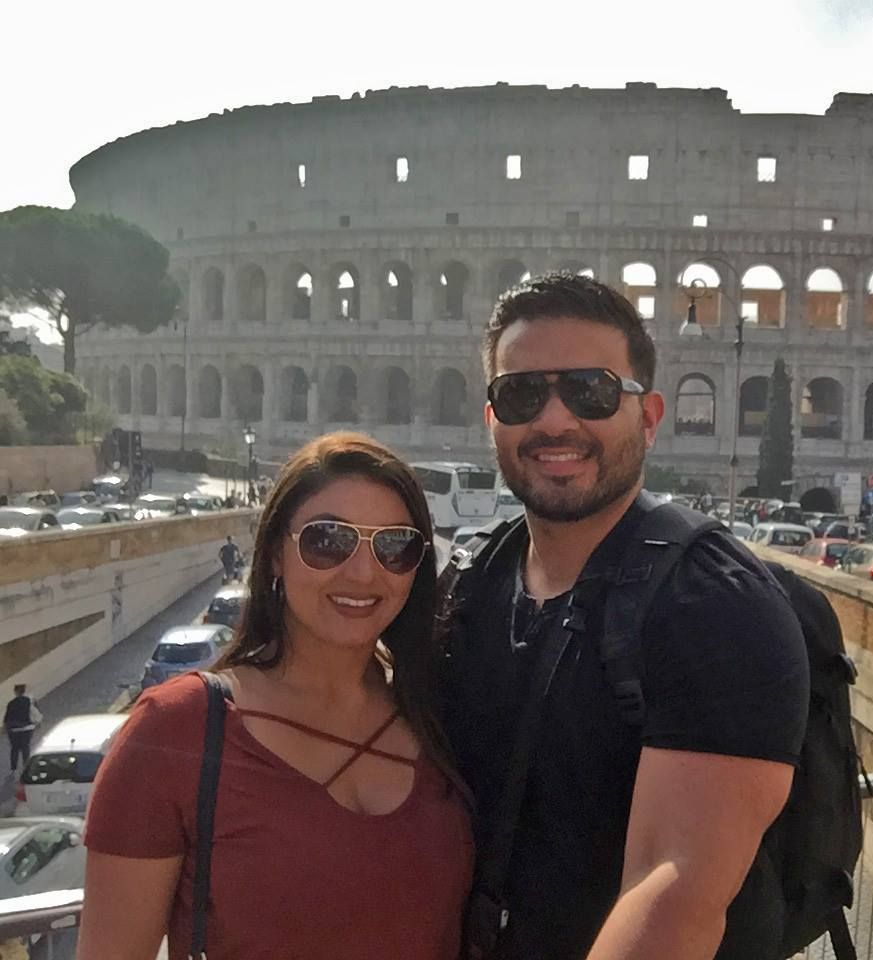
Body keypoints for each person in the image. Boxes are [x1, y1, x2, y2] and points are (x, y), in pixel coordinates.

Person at [435, 274, 809, 960]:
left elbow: (674, 899)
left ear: (648, 415)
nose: (554, 421)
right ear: (493, 420)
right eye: (522, 394)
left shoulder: (714, 604)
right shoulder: (472, 581)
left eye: (590, 391)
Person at [79, 432, 472, 959]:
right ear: (274, 557)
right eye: (327, 540)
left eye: (393, 546)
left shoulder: (441, 711)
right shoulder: (174, 732)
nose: (362, 571)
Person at [3, 684, 41, 776]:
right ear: (24, 691)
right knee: (25, 747)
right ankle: (26, 766)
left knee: (14, 748)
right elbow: (37, 713)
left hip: (14, 730)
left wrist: (5, 728)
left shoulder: (11, 703)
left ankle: (13, 768)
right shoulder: (30, 701)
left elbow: (7, 718)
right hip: (27, 728)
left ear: (15, 692)